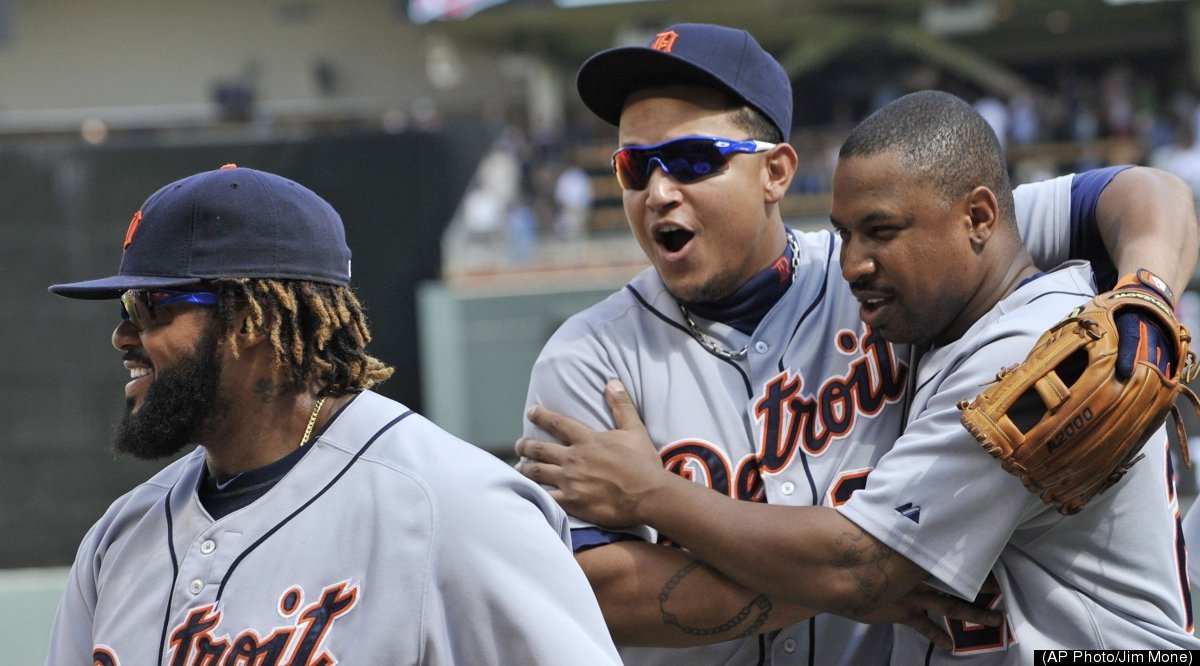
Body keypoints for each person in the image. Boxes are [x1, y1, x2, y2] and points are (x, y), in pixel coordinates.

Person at [517, 22, 1200, 665]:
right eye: (634, 169)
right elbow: (600, 592)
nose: (658, 192)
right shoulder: (589, 360)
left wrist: (1148, 292)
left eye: (693, 160)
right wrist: (869, 577)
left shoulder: (920, 267)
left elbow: (1145, 191)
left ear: (778, 172)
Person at [44, 165, 621, 665]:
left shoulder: (456, 509)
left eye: (150, 308)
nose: (122, 336)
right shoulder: (117, 540)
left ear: (249, 320)